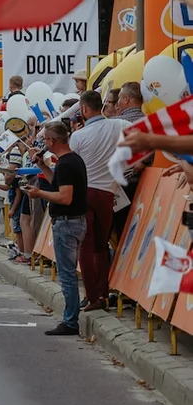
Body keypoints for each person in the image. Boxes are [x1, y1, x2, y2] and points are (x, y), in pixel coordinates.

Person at [23, 120, 87, 336]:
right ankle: (70, 317)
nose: (44, 144)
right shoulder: (68, 161)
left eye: (45, 140)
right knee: (68, 272)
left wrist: (39, 194)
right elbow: (58, 184)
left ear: (52, 140)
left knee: (67, 274)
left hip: (68, 222)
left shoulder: (68, 163)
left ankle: (70, 321)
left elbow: (65, 197)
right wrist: (43, 166)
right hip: (72, 221)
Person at [68, 90, 128, 313]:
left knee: (86, 245)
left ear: (83, 109)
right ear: (101, 106)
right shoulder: (118, 125)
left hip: (85, 192)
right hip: (108, 193)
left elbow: (73, 166)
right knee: (102, 246)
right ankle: (103, 292)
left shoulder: (78, 136)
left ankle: (92, 296)